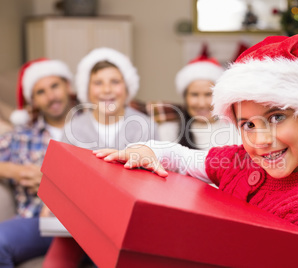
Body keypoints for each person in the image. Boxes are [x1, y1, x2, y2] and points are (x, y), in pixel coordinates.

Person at [93, 34, 298, 259]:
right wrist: (148, 151)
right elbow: (183, 157)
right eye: (248, 124)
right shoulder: (241, 161)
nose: (260, 140)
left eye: (276, 117)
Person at [43, 47, 159, 267]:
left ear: (127, 87)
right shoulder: (73, 128)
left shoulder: (145, 126)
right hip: (78, 220)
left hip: (126, 223)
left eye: (115, 81)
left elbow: (153, 179)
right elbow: (62, 177)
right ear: (87, 89)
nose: (107, 89)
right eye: (98, 83)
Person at [0, 58, 74, 267]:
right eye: (41, 92)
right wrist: (14, 171)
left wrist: (52, 182)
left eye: (54, 86)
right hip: (36, 221)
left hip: (86, 224)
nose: (51, 96)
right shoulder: (21, 137)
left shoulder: (90, 128)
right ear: (32, 100)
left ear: (67, 86)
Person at [158, 48, 240, 150]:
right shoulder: (167, 131)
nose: (201, 104)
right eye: (194, 95)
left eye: (208, 94)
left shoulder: (237, 132)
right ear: (185, 97)